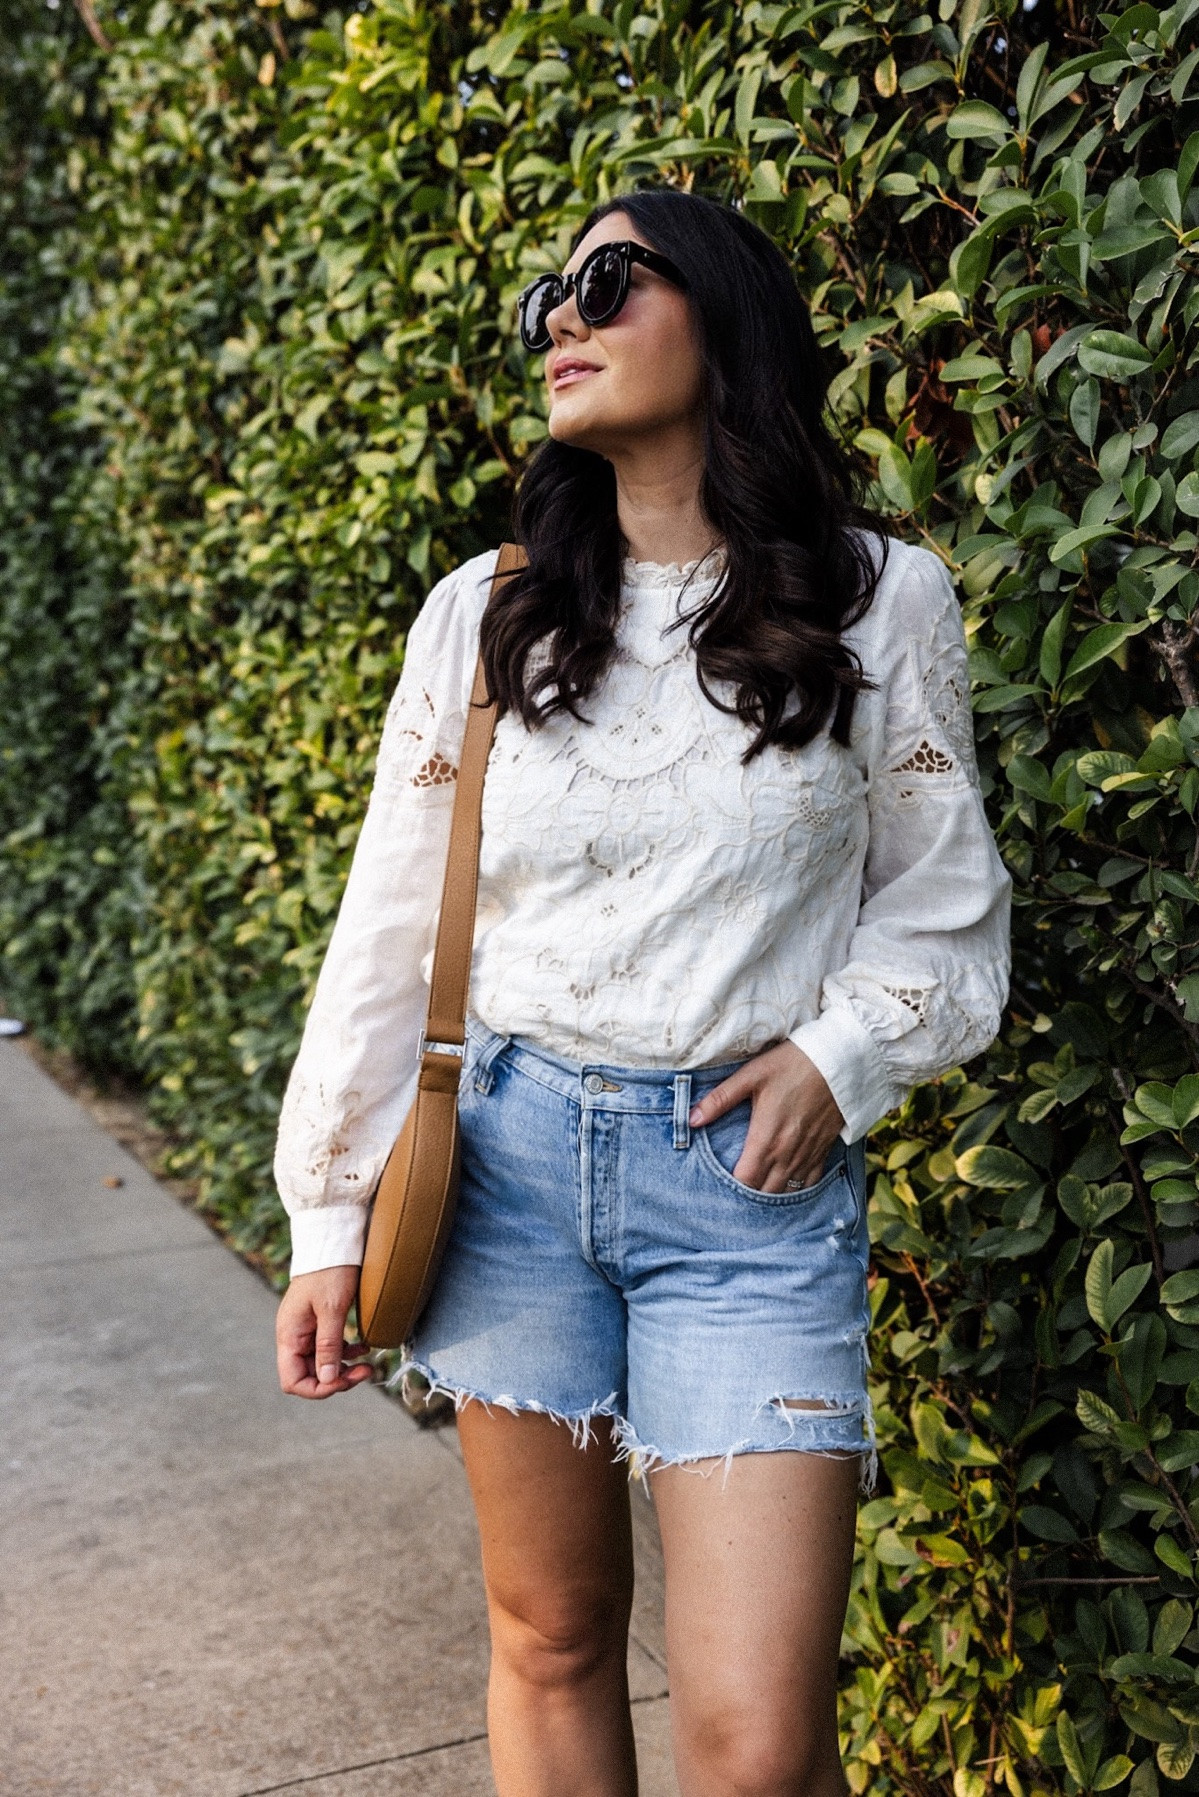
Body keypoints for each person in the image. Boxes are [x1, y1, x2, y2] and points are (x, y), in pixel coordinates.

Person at [272, 185, 1011, 1797]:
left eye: (610, 281)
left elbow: (947, 913)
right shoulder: (487, 612)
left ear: (724, 315)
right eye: (552, 290)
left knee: (757, 1741)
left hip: (746, 1191)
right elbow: (389, 926)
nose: (563, 316)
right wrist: (329, 1212)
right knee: (549, 1638)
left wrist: (834, 1055)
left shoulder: (885, 600)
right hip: (512, 1172)